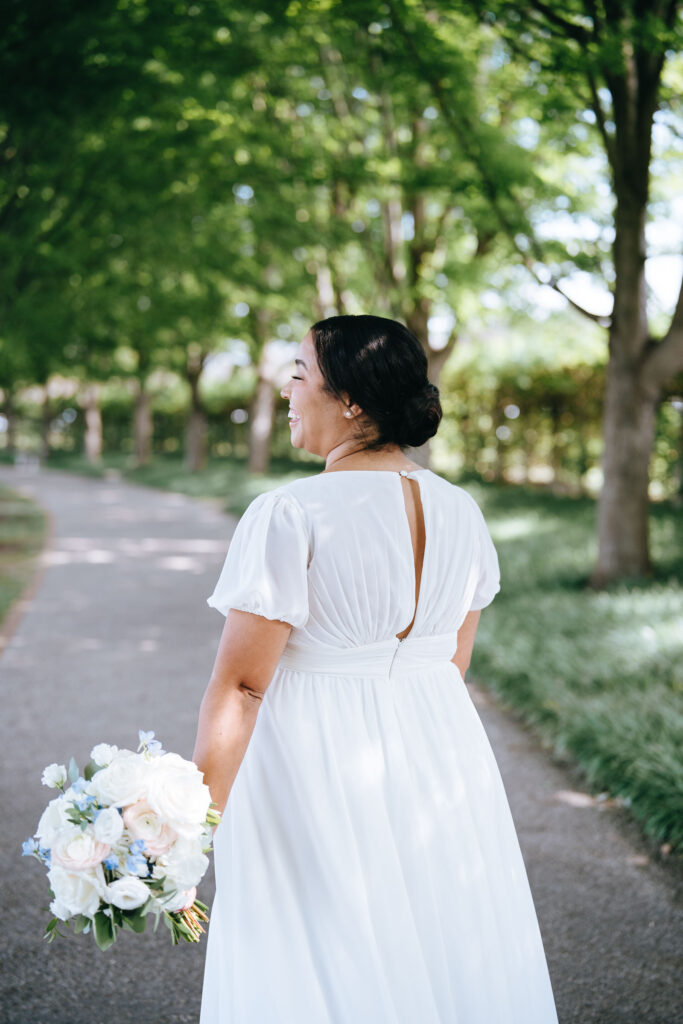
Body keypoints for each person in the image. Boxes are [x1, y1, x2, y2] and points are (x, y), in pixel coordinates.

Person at [193, 314, 558, 1023]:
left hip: (311, 760)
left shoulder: (288, 512)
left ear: (351, 401)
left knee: (315, 951)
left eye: (299, 374)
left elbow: (241, 684)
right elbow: (450, 660)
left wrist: (184, 828)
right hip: (439, 755)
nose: (287, 388)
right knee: (431, 938)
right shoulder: (463, 512)